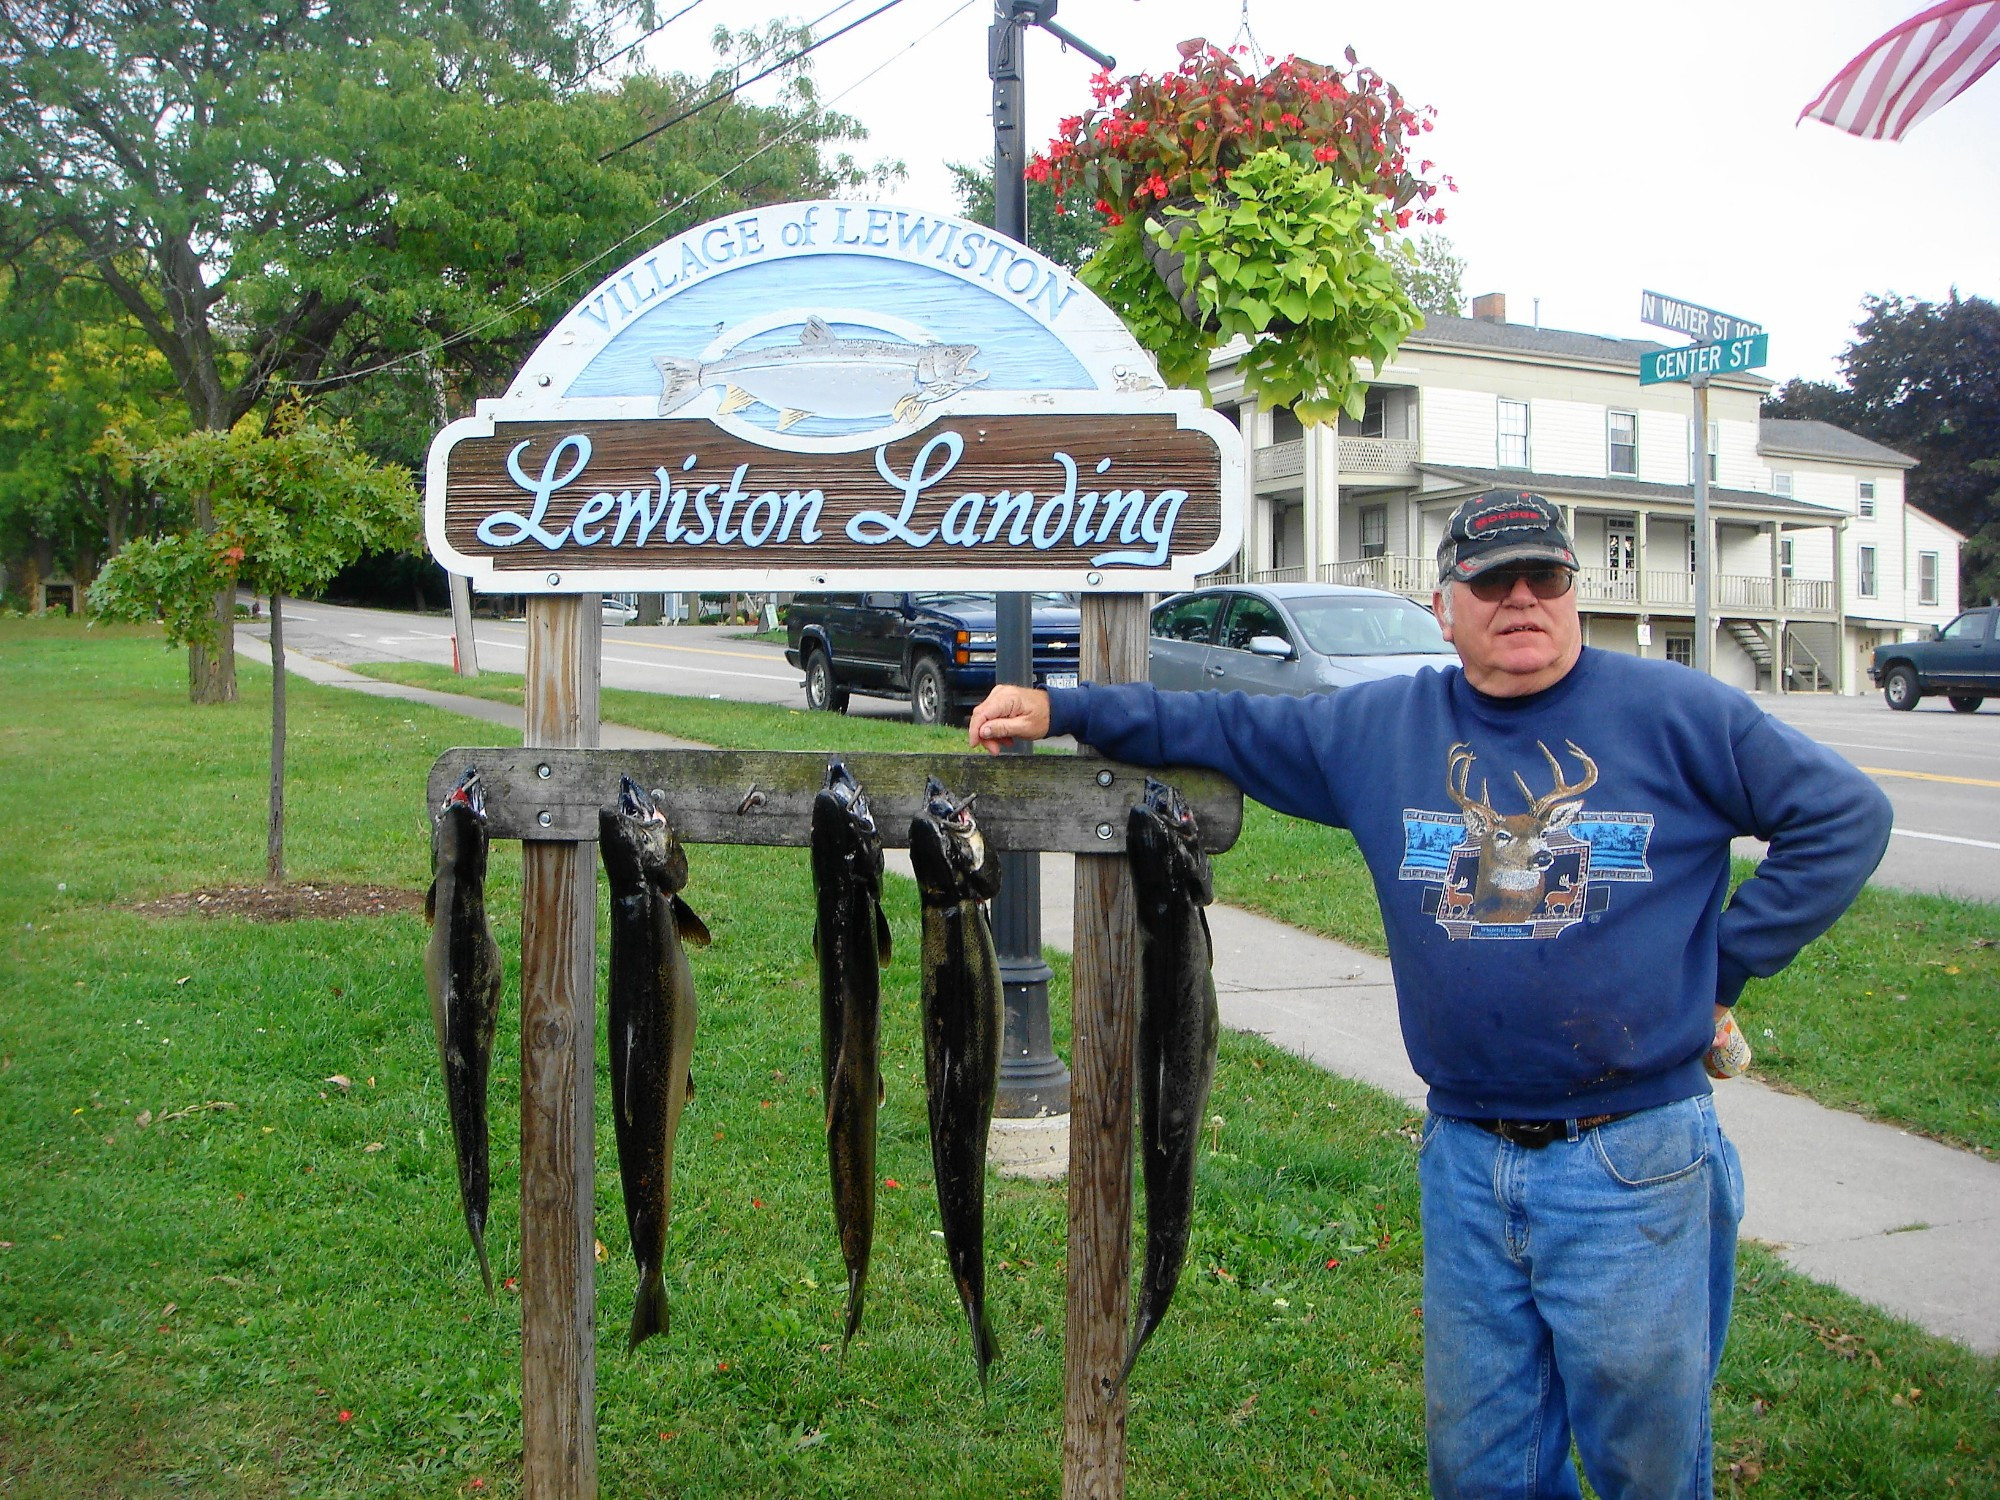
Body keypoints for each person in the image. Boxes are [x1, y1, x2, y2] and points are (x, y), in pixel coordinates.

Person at [968, 489, 1893, 1500]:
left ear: (1573, 594)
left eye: (1544, 577)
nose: (1521, 599)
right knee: (1480, 1465)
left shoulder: (1679, 713)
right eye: (1492, 582)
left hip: (1632, 1156)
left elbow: (1843, 816)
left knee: (1645, 1463)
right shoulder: (1382, 727)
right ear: (1444, 608)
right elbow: (1223, 724)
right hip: (1466, 1159)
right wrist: (1066, 709)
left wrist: (1718, 967)